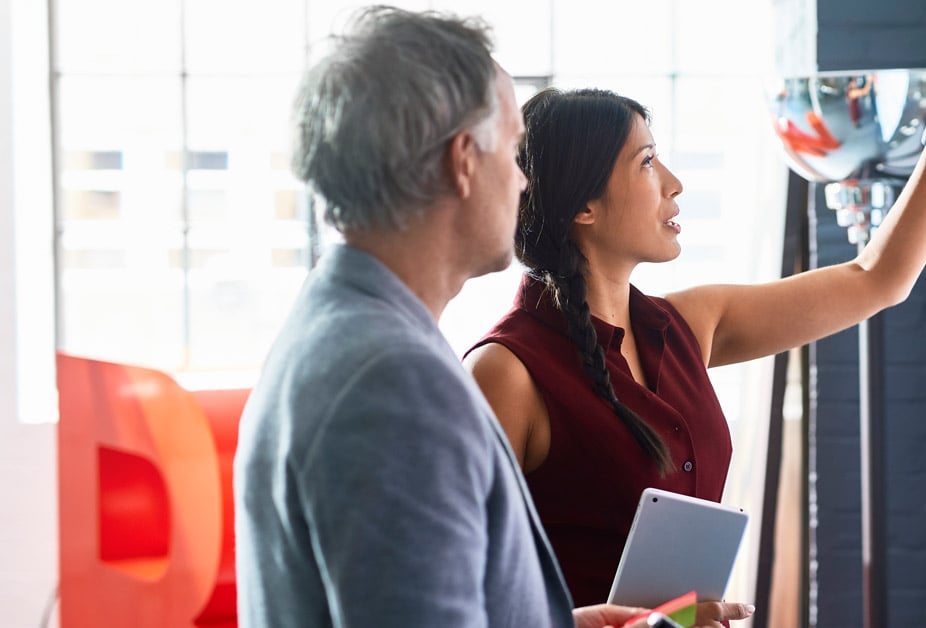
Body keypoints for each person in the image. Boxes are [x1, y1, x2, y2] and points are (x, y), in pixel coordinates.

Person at [464, 12, 926, 608]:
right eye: (647, 163)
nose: (674, 183)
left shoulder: (687, 326)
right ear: (583, 207)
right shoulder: (506, 373)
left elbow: (877, 278)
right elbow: (458, 594)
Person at [234, 7, 715, 627]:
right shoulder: (392, 384)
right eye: (515, 151)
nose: (523, 182)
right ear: (463, 160)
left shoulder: (344, 329)